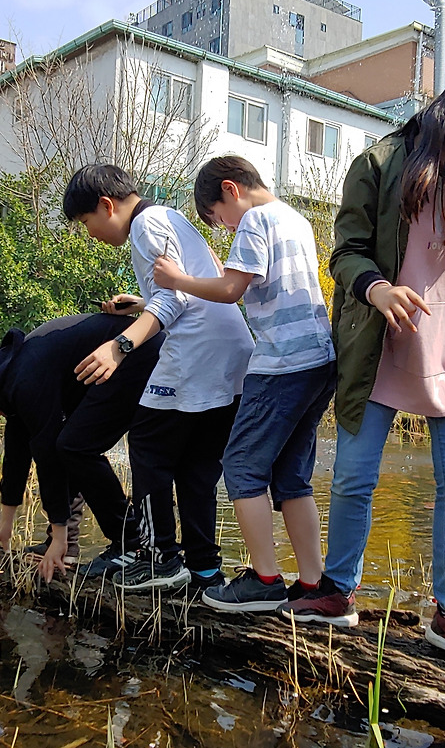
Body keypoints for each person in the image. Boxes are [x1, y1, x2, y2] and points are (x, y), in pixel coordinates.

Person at [278, 61, 445, 672]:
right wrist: (375, 288)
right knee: (354, 475)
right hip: (380, 343)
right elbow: (345, 253)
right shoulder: (379, 163)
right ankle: (335, 590)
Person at [151, 155, 336, 613]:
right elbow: (241, 281)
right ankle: (314, 587)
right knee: (291, 476)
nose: (226, 228)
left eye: (219, 219)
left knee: (240, 466)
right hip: (319, 359)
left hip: (281, 363)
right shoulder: (294, 218)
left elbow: (231, 290)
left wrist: (177, 280)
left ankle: (265, 580)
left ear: (231, 191)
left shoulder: (254, 219)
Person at [65, 163, 254, 591]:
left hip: (197, 353)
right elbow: (186, 287)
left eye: (86, 223)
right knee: (196, 467)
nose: (89, 233)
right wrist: (140, 304)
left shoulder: (145, 225)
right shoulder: (168, 216)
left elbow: (173, 301)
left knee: (148, 444)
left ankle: (158, 557)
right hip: (230, 354)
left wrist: (119, 346)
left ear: (106, 205)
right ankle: (204, 570)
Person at [0, 314, 162, 581]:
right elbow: (16, 455)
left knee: (74, 448)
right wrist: (6, 522)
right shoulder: (7, 377)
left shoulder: (24, 378)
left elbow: (48, 458)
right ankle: (69, 547)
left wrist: (58, 533)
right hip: (124, 361)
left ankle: (131, 544)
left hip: (138, 355)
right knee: (70, 446)